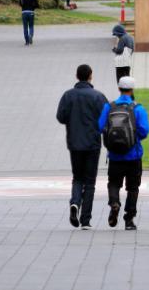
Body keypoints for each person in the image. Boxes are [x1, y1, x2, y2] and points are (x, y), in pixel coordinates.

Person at [56, 64, 109, 229]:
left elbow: (61, 116)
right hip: (92, 144)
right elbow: (106, 118)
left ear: (77, 76)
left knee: (77, 177)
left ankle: (75, 203)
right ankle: (85, 219)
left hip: (74, 143)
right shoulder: (98, 97)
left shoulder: (68, 95)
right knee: (90, 181)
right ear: (90, 76)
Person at [98, 76, 149, 230]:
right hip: (133, 155)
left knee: (114, 183)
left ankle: (114, 203)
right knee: (133, 188)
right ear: (132, 90)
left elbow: (100, 126)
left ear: (119, 88)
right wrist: (133, 137)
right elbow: (145, 130)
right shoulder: (138, 108)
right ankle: (129, 219)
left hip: (114, 155)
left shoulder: (109, 107)